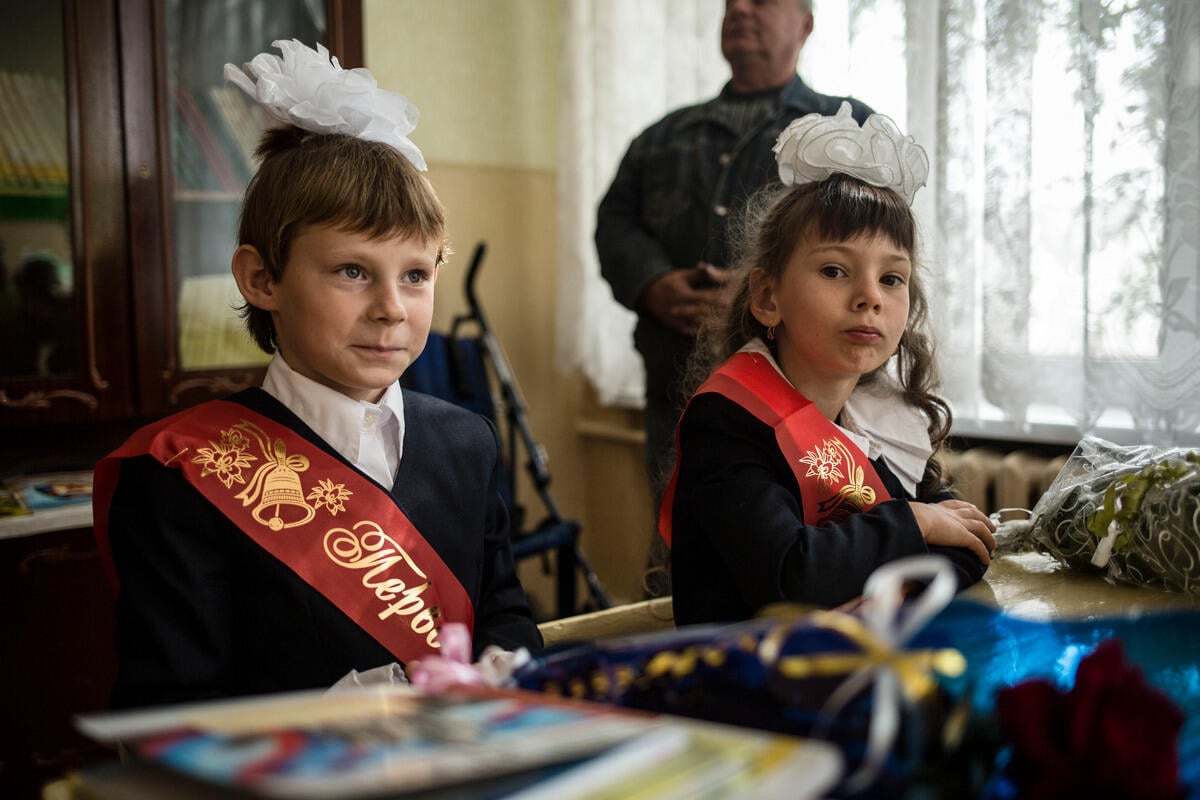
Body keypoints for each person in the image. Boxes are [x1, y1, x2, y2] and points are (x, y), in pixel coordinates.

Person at [92, 40, 542, 709]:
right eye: (353, 272)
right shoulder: (177, 475)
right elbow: (169, 708)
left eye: (416, 275)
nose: (392, 308)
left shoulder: (467, 442)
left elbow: (503, 610)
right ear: (262, 278)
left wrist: (504, 666)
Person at [660, 103, 996, 626]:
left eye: (892, 278)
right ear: (768, 297)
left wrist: (909, 539)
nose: (869, 297)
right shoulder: (728, 423)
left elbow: (968, 548)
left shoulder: (879, 417)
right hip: (742, 689)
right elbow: (795, 572)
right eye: (836, 270)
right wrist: (913, 524)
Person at [595, 0, 874, 597]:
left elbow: (877, 249)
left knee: (802, 556)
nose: (741, 7)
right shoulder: (663, 137)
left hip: (812, 399)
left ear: (805, 24)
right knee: (686, 556)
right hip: (677, 388)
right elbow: (613, 224)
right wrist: (653, 284)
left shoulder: (844, 134)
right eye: (731, 0)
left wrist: (765, 291)